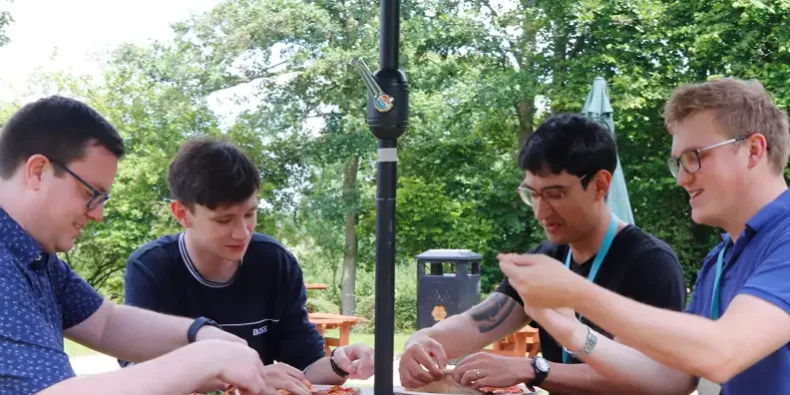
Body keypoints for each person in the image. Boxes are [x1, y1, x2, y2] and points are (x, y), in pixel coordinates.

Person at [499, 77, 790, 395]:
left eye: (694, 157)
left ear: (753, 150)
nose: (681, 179)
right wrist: (568, 329)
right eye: (679, 163)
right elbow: (672, 379)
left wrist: (577, 293)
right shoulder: (721, 258)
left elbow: (723, 352)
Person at [0, 96, 289, 395]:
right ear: (38, 171)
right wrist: (204, 359)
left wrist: (202, 334)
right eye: (91, 193)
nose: (97, 214)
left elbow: (106, 323)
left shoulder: (35, 259)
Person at [398, 113, 687, 394]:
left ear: (599, 184)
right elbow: (476, 323)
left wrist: (532, 368)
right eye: (532, 194)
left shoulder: (650, 264)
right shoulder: (546, 259)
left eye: (555, 194)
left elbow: (644, 379)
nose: (540, 211)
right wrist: (422, 341)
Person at [122, 138, 375, 386]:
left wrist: (338, 364)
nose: (242, 232)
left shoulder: (274, 262)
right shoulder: (151, 268)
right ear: (182, 214)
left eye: (250, 214)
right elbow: (140, 376)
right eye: (224, 220)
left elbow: (305, 368)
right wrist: (247, 377)